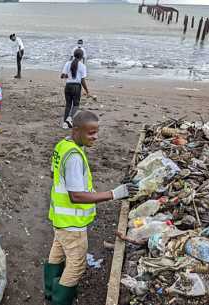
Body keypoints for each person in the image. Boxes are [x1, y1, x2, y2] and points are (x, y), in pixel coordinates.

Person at [44, 111, 137, 305]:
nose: (95, 137)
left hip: (60, 218)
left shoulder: (63, 146)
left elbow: (56, 175)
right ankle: (60, 301)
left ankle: (50, 291)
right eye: (91, 133)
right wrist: (115, 193)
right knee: (76, 265)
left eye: (96, 132)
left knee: (58, 250)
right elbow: (76, 195)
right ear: (76, 130)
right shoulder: (75, 157)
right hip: (73, 223)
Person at [60, 48, 89, 129]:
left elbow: (62, 76)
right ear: (82, 57)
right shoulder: (82, 66)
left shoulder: (67, 63)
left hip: (68, 86)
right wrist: (87, 90)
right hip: (76, 87)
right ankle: (69, 120)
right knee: (76, 105)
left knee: (68, 105)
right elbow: (82, 80)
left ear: (73, 55)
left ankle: (65, 123)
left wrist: (67, 75)